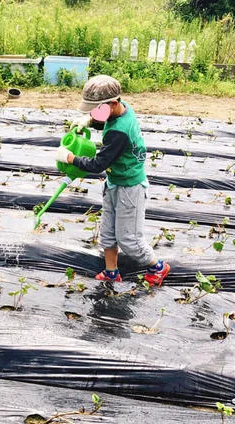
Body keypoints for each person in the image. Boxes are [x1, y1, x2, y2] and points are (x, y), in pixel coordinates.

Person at [55, 75, 170, 285]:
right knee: (107, 233)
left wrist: (70, 158)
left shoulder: (119, 132)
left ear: (113, 103)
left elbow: (98, 164)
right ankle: (111, 272)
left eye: (95, 110)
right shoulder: (122, 108)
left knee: (129, 240)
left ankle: (157, 267)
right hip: (115, 181)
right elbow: (106, 118)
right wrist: (89, 121)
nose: (93, 114)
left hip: (130, 187)